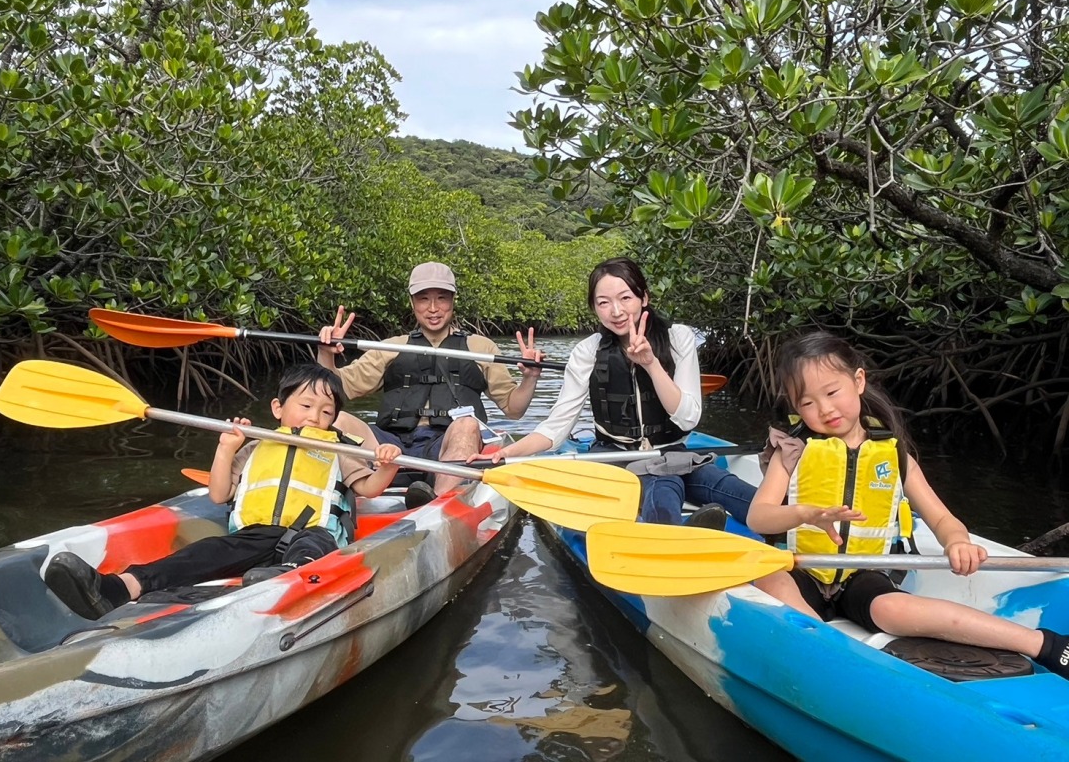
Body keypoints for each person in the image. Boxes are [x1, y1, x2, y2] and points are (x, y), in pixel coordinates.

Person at [745, 331, 1069, 678]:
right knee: (770, 575)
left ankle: (1046, 645)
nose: (824, 409)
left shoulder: (895, 456)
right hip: (803, 567)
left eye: (831, 392)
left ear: (858, 381)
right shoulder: (791, 452)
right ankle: (825, 647)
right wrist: (805, 513)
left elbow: (943, 519)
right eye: (807, 403)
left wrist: (957, 541)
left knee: (894, 608)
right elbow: (758, 517)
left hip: (862, 575)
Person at [43, 364, 402, 621]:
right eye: (305, 406)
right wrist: (226, 448)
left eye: (326, 412)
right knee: (205, 552)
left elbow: (367, 487)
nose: (315, 417)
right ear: (278, 409)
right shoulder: (255, 446)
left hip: (314, 535)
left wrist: (387, 465)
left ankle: (289, 579)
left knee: (311, 545)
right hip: (256, 534)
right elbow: (219, 494)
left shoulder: (338, 448)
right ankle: (118, 588)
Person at [474, 256, 755, 528]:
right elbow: (556, 428)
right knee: (663, 489)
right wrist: (508, 452)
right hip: (614, 458)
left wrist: (651, 364)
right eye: (603, 303)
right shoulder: (587, 351)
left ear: (643, 298)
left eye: (625, 298)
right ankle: (671, 536)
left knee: (737, 493)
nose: (616, 311)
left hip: (673, 455)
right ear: (594, 308)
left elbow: (688, 419)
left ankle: (769, 528)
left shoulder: (678, 338)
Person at [318, 261, 543, 497]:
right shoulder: (391, 347)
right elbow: (333, 391)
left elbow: (513, 409)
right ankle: (359, 489)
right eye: (424, 298)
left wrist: (530, 378)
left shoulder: (480, 347)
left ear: (453, 300)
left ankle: (439, 500)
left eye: (442, 298)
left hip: (447, 444)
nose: (433, 308)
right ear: (412, 302)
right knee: (339, 419)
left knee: (467, 423)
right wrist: (326, 354)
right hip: (390, 445)